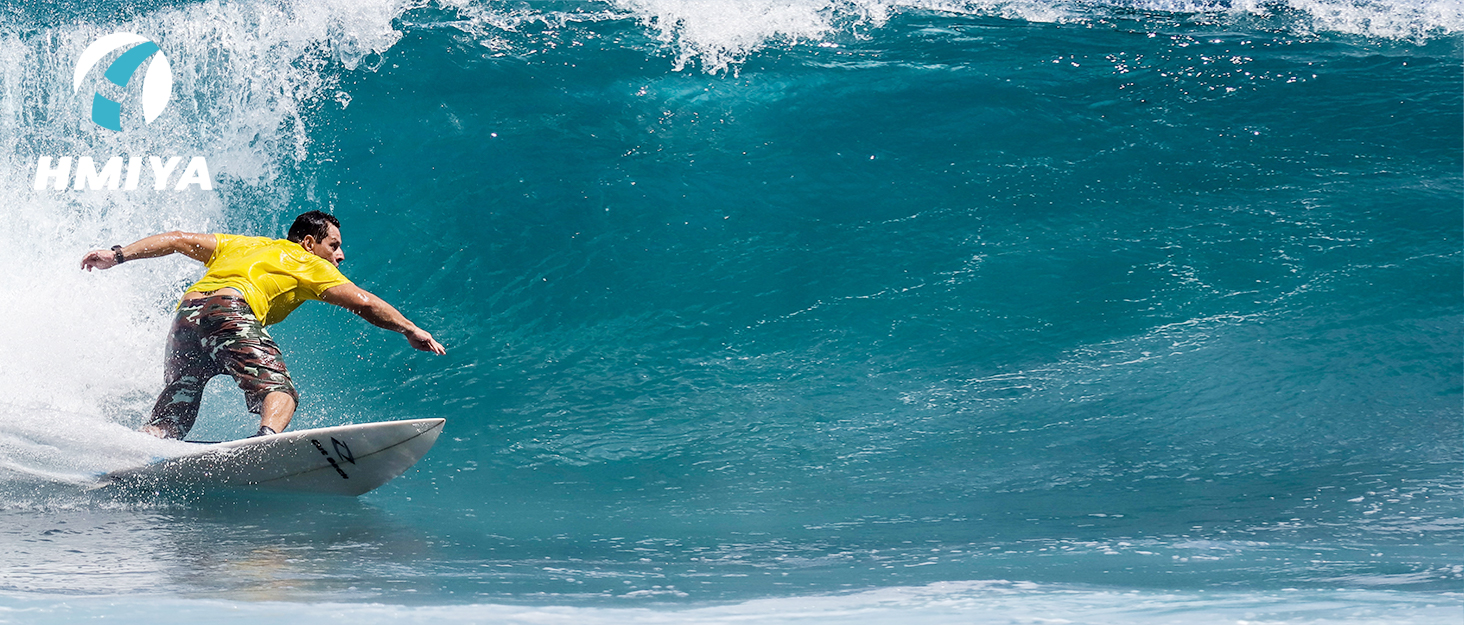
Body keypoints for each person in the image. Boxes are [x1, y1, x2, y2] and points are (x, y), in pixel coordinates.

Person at [80, 210, 446, 440]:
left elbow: (177, 239)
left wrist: (117, 254)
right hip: (228, 310)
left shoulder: (243, 245)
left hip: (186, 316)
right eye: (333, 245)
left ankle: (145, 444)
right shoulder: (306, 261)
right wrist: (410, 329)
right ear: (308, 242)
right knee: (280, 392)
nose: (340, 255)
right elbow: (363, 303)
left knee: (177, 408)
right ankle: (265, 443)